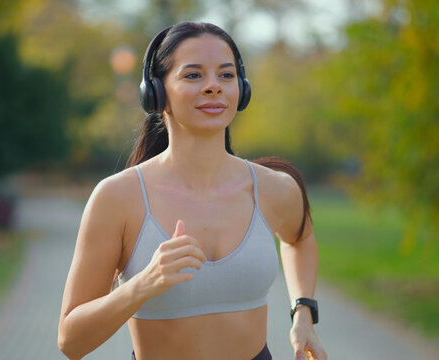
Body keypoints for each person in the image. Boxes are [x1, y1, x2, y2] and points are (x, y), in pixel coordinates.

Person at [58, 21, 327, 360]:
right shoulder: (117, 198)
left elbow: (299, 238)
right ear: (156, 93)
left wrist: (303, 313)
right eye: (193, 75)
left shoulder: (274, 189)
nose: (214, 86)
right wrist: (142, 284)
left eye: (226, 75)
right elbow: (71, 341)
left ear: (241, 90)